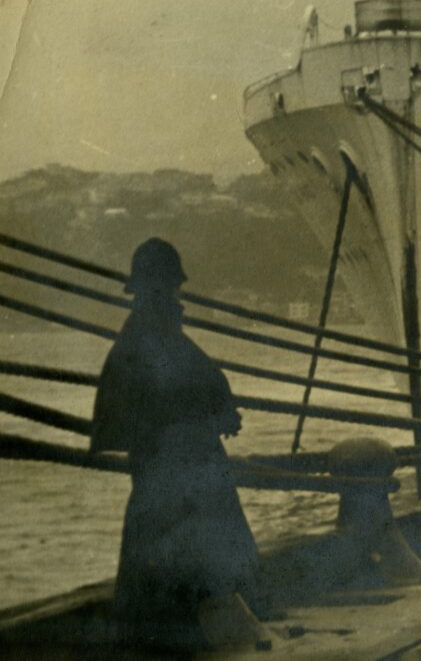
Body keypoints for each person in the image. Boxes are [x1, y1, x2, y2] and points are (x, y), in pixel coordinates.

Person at [89, 239, 268, 651]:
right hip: (173, 472)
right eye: (166, 288)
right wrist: (209, 417)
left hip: (175, 472)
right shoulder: (149, 341)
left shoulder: (149, 337)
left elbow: (194, 384)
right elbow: (176, 392)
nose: (170, 297)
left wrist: (214, 414)